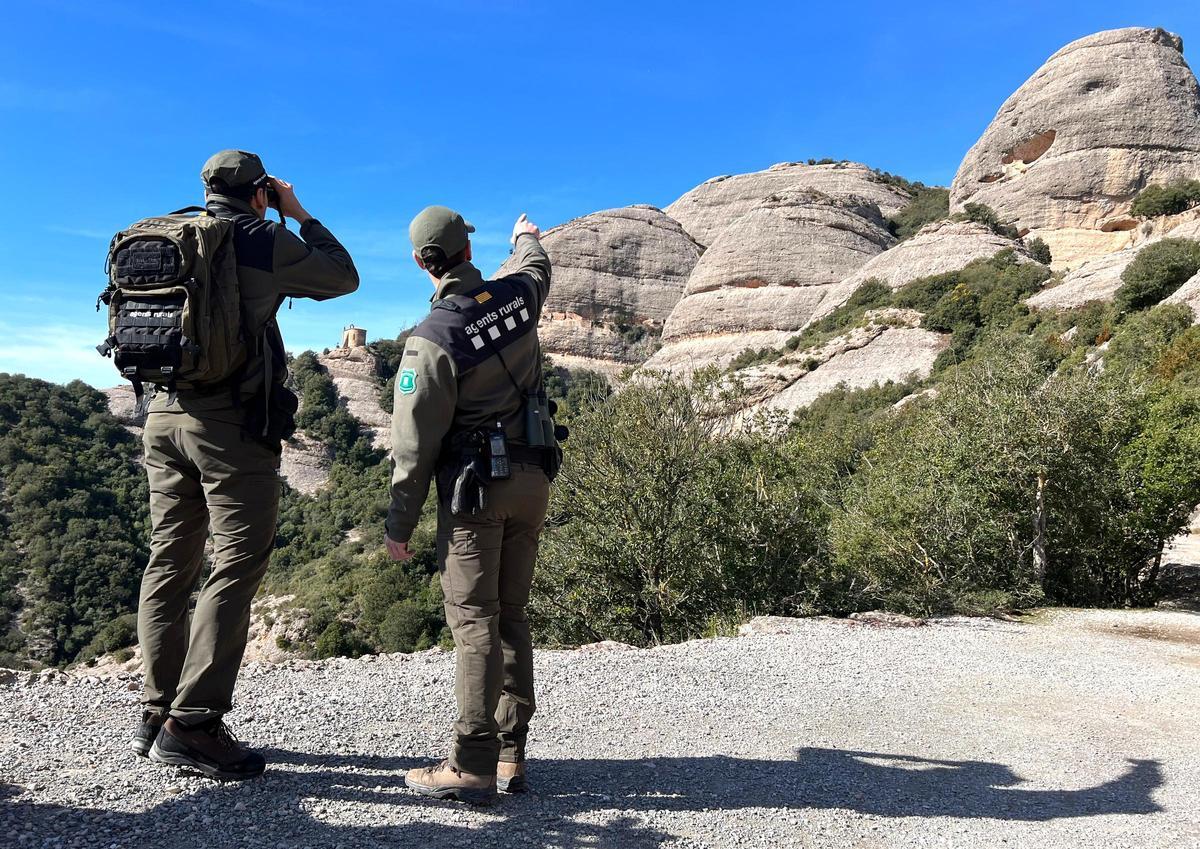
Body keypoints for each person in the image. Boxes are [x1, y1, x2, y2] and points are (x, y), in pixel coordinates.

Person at [132, 149, 359, 780]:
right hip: (229, 425)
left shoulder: (165, 232)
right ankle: (195, 723)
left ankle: (156, 710)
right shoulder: (261, 238)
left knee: (169, 556)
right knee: (236, 561)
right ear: (258, 190)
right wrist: (297, 210)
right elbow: (344, 276)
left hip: (159, 414)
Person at [386, 206, 553, 805]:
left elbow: (413, 445)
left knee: (475, 620)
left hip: (474, 493)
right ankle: (511, 756)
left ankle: (472, 763)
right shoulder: (518, 297)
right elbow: (536, 264)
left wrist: (398, 523)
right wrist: (526, 236)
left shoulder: (431, 341)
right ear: (466, 250)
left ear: (420, 262)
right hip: (534, 478)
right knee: (511, 613)